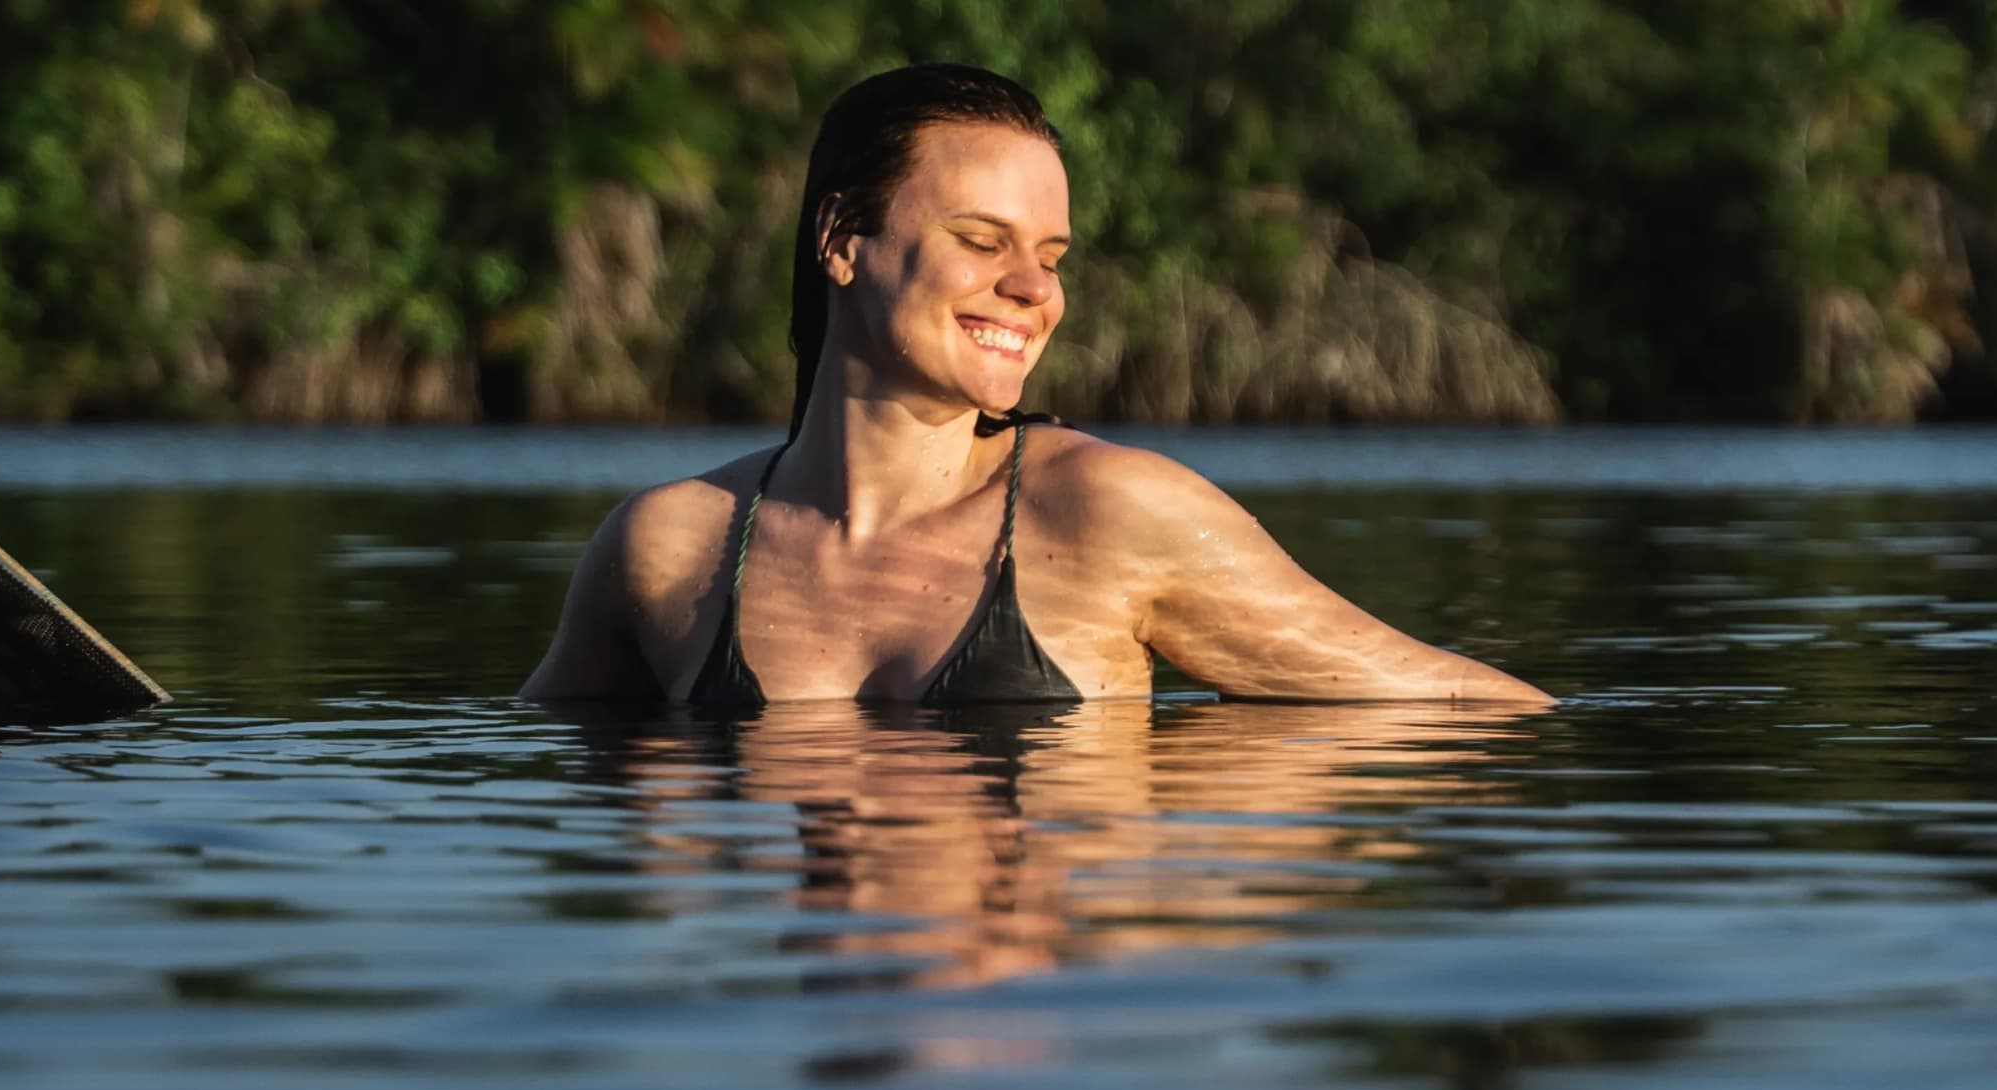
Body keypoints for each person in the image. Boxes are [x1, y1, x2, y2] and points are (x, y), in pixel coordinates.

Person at [522, 63, 1553, 717]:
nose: (1032, 289)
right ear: (841, 241)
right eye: (981, 241)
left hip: (1047, 1041)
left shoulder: (1102, 513)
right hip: (814, 1034)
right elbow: (552, 793)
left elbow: (1455, 696)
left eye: (1050, 254)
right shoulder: (672, 547)